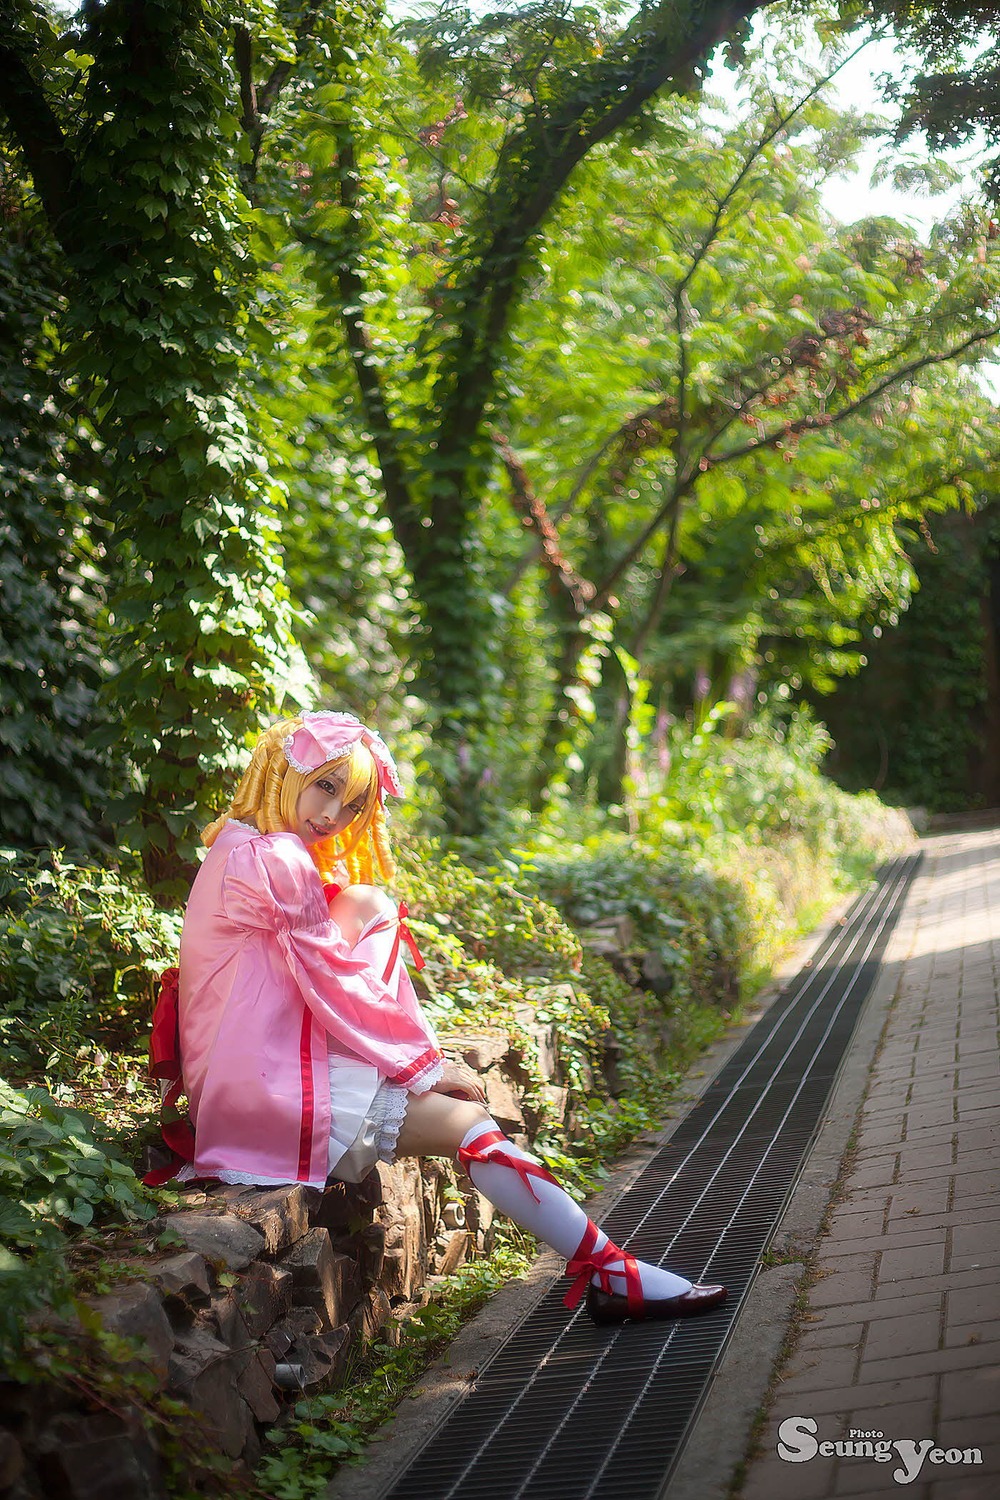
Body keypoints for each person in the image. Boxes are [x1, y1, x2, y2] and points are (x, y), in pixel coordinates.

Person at [158, 710, 726, 1325]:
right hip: (266, 1093)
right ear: (282, 769)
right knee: (468, 1122)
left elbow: (321, 976)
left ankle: (613, 1272)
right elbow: (335, 983)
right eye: (325, 787)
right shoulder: (275, 859)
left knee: (370, 904)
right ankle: (616, 1274)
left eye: (351, 807)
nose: (332, 817)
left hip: (238, 1081)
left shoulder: (235, 845)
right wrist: (424, 1069)